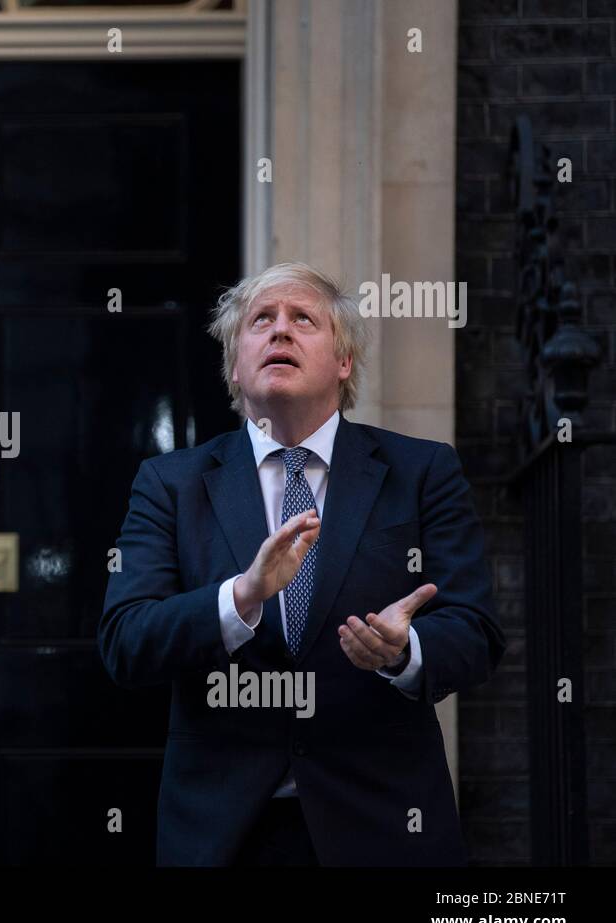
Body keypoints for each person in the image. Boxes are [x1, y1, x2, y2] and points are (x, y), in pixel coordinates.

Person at [98, 262, 505, 866]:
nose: (279, 331)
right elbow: (126, 642)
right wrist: (240, 597)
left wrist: (404, 650)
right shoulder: (170, 483)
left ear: (343, 363)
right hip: (223, 835)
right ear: (236, 366)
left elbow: (476, 630)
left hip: (384, 829)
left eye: (302, 319)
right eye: (261, 320)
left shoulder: (422, 472)